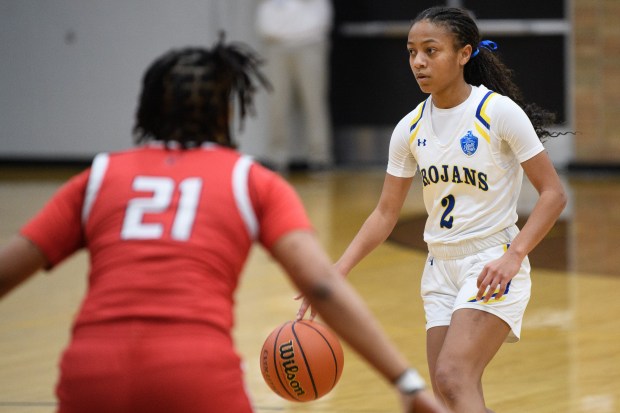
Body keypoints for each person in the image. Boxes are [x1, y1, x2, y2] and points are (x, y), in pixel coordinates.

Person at [0, 35, 446, 413]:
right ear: (227, 112)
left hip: (91, 375)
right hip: (194, 374)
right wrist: (406, 384)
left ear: (148, 108)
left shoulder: (97, 178)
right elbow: (322, 288)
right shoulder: (249, 181)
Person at [297, 6, 568, 413]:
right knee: (449, 395)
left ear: (464, 54)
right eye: (411, 52)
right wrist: (336, 273)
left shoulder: (496, 113)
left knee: (452, 377)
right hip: (439, 268)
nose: (418, 62)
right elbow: (385, 214)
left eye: (430, 50)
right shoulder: (409, 128)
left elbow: (553, 194)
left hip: (491, 261)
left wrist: (514, 257)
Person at [256, 0, 334, 171]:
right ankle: (277, 156)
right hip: (276, 45)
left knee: (313, 101)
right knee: (277, 103)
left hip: (309, 43)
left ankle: (319, 156)